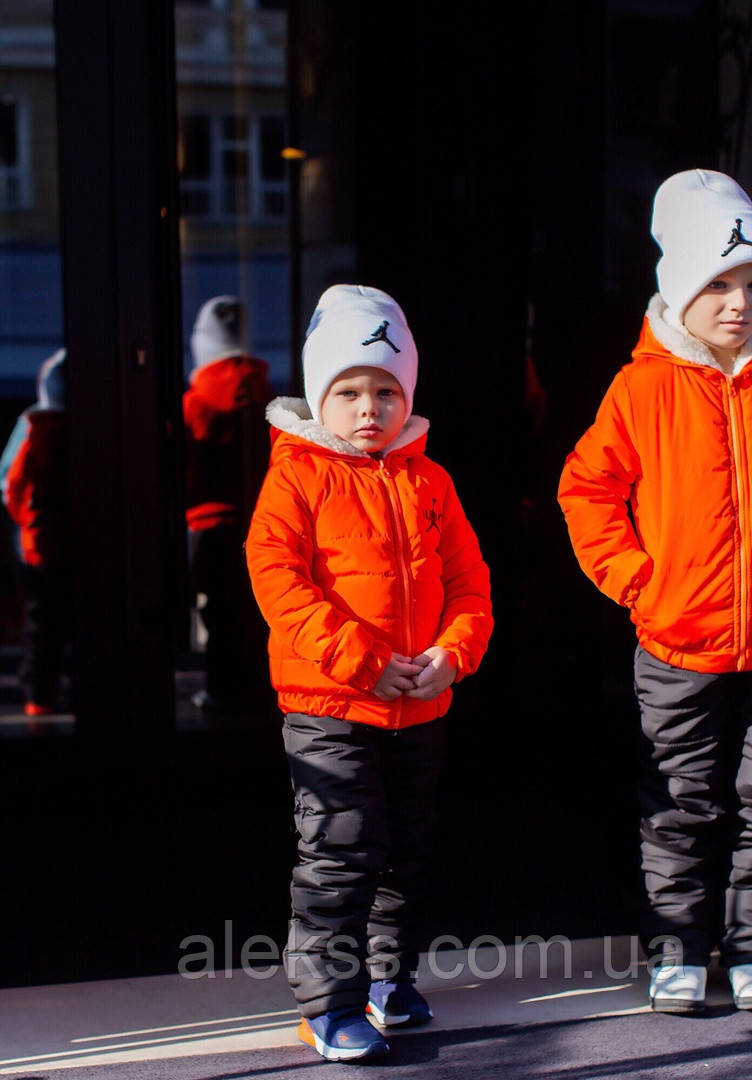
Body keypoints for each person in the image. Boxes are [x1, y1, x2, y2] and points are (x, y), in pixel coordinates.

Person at [558, 170, 752, 1015]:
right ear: (679, 288)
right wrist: (638, 582)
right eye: (719, 284)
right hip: (676, 648)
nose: (739, 303)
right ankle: (681, 949)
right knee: (683, 803)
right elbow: (586, 490)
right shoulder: (643, 388)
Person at [245, 284, 493, 1062]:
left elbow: (470, 584)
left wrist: (452, 655)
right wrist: (362, 660)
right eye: (348, 391)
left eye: (386, 390)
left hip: (419, 706)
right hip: (330, 702)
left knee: (404, 853)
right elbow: (277, 578)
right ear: (321, 396)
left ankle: (389, 979)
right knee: (341, 845)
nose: (369, 408)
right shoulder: (296, 477)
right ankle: (330, 1002)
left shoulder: (430, 481)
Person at [183, 295, 273, 714]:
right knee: (257, 612)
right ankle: (258, 690)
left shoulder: (194, 404)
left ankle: (221, 692)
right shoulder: (267, 396)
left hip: (209, 526)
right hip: (264, 522)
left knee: (217, 616)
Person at [0, 348, 70, 715]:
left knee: (42, 624)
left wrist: (25, 525)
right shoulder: (93, 427)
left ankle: (39, 696)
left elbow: (10, 482)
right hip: (73, 545)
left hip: (38, 545)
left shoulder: (33, 427)